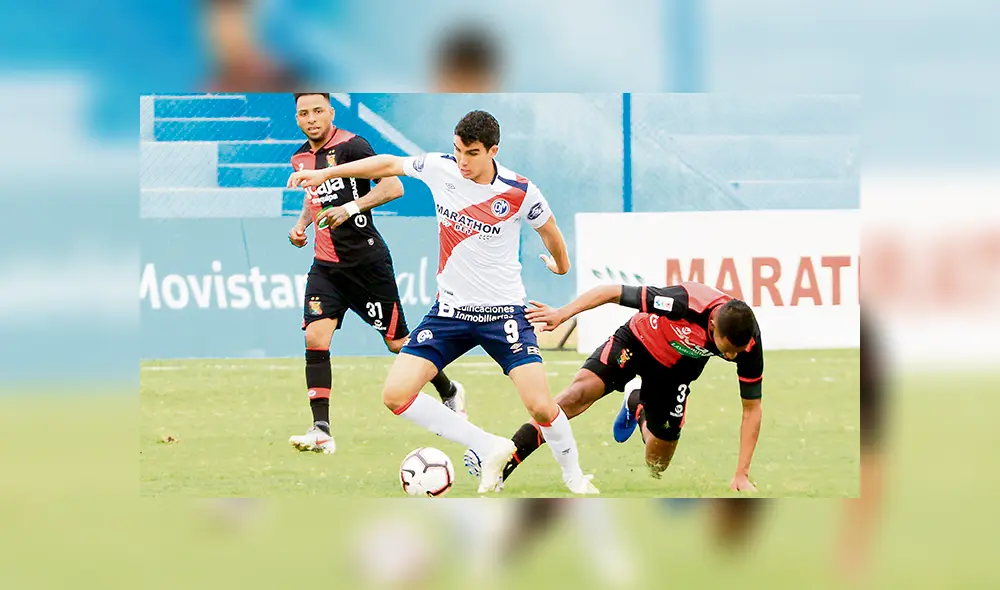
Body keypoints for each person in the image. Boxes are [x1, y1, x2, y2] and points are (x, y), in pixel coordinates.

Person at [288, 110, 597, 494]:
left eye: (471, 153)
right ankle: (488, 446)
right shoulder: (440, 168)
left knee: (539, 406)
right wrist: (324, 174)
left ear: (492, 151)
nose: (462, 161)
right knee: (395, 395)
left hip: (504, 316)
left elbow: (549, 231)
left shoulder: (519, 190)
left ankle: (574, 477)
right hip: (450, 313)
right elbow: (387, 164)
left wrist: (561, 267)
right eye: (457, 150)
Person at [286, 93, 464, 454]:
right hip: (327, 268)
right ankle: (321, 429)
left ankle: (449, 390)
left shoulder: (353, 146)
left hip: (367, 266)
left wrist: (351, 207)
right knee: (316, 338)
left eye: (318, 111)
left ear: (331, 112)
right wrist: (301, 225)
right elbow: (314, 197)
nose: (311, 119)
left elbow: (393, 186)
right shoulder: (300, 157)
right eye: (303, 113)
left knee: (398, 343)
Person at [500, 281, 763, 491]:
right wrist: (562, 314)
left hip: (675, 375)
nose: (730, 358)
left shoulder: (747, 344)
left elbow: (752, 409)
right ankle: (506, 459)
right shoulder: (683, 302)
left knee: (656, 465)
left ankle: (635, 404)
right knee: (577, 395)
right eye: (726, 350)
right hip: (637, 342)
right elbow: (611, 292)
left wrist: (741, 474)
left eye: (735, 353)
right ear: (713, 325)